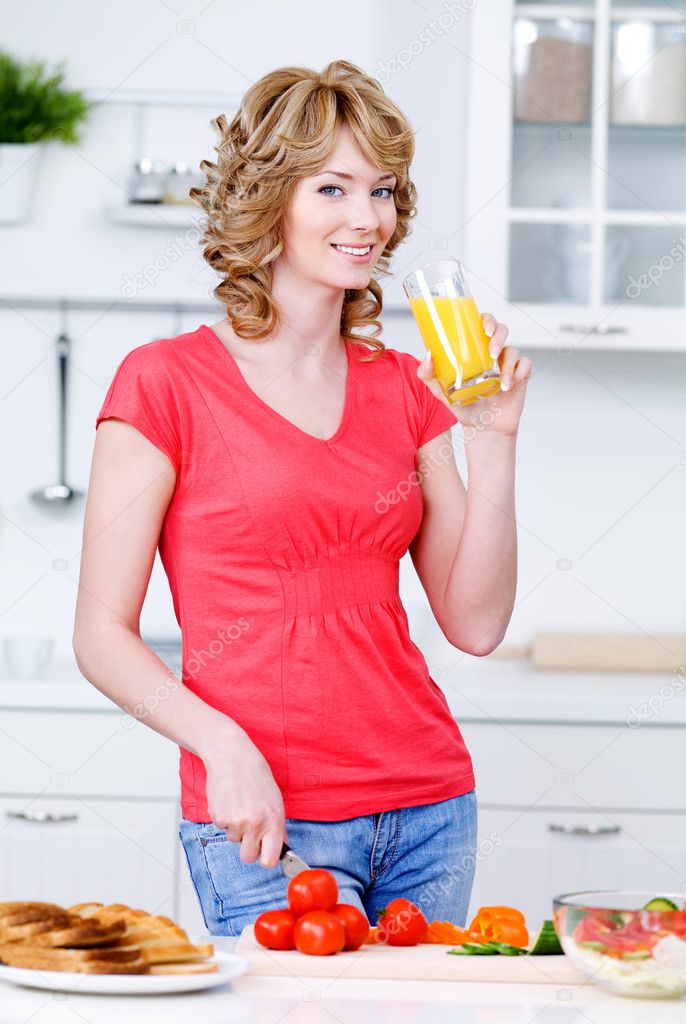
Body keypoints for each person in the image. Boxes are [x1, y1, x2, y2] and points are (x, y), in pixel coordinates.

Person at [73, 60, 531, 938]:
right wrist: (221, 746)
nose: (367, 218)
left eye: (383, 191)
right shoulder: (166, 383)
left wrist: (494, 439)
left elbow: (474, 624)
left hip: (430, 807)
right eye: (333, 187)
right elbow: (101, 635)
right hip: (265, 816)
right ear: (270, 200)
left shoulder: (407, 387)